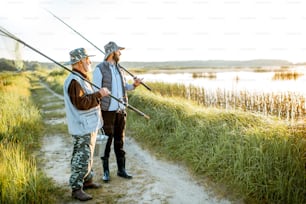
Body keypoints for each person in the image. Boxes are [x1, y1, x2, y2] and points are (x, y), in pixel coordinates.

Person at [63, 48, 110, 201]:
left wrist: (96, 95)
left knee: (89, 155)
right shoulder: (74, 81)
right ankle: (76, 189)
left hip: (88, 125)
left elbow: (85, 99)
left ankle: (87, 180)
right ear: (80, 61)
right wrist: (99, 95)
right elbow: (81, 103)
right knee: (81, 157)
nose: (90, 61)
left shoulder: (81, 78)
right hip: (82, 127)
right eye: (87, 59)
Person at [92, 41, 142, 182]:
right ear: (112, 52)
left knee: (120, 142)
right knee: (107, 142)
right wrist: (101, 94)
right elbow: (96, 91)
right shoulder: (99, 69)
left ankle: (122, 170)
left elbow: (123, 87)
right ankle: (106, 172)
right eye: (118, 51)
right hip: (107, 112)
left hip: (121, 111)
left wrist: (134, 85)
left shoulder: (120, 69)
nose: (120, 53)